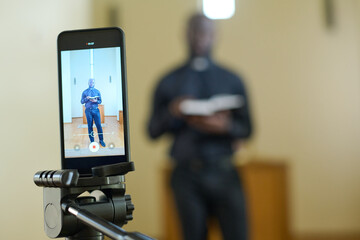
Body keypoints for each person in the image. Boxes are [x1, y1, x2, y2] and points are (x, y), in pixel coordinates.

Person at [147, 14, 252, 240]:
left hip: (225, 171)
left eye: (205, 32)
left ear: (214, 36)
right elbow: (152, 131)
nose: (199, 38)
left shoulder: (232, 79)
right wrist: (173, 112)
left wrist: (225, 126)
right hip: (187, 175)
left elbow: (248, 129)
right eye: (194, 31)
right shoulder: (168, 81)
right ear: (185, 34)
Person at [81, 78, 106, 147]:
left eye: (93, 82)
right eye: (90, 82)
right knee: (90, 126)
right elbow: (81, 102)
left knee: (99, 126)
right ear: (88, 83)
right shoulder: (85, 92)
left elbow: (100, 101)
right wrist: (86, 98)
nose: (91, 83)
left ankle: (101, 140)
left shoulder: (97, 91)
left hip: (96, 110)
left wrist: (96, 101)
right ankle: (92, 141)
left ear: (94, 83)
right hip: (88, 111)